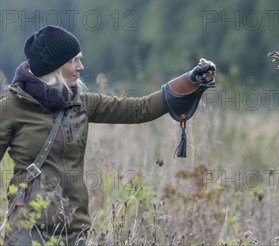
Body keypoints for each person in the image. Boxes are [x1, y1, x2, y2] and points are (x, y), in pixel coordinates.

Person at [0, 25, 216, 244]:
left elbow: (140, 109)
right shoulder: (11, 108)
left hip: (74, 230)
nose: (81, 67)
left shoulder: (82, 104)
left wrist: (189, 81)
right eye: (73, 60)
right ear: (53, 67)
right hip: (28, 231)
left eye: (80, 59)